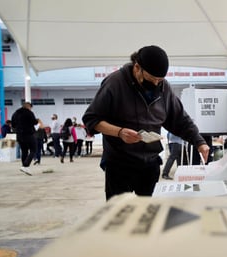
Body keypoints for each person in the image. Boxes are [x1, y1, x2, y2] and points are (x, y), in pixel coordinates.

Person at [83, 45, 209, 200]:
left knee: (149, 212)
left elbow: (180, 119)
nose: (156, 84)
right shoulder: (115, 83)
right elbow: (91, 119)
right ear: (137, 67)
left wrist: (199, 142)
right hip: (119, 164)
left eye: (160, 80)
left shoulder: (164, 88)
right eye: (151, 79)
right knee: (120, 215)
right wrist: (119, 132)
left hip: (150, 163)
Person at [11, 102, 38, 175]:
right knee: (33, 149)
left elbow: (13, 124)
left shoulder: (15, 113)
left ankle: (25, 167)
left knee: (24, 151)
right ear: (29, 106)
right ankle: (25, 165)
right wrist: (37, 121)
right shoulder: (29, 113)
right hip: (28, 133)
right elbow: (34, 122)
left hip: (19, 135)